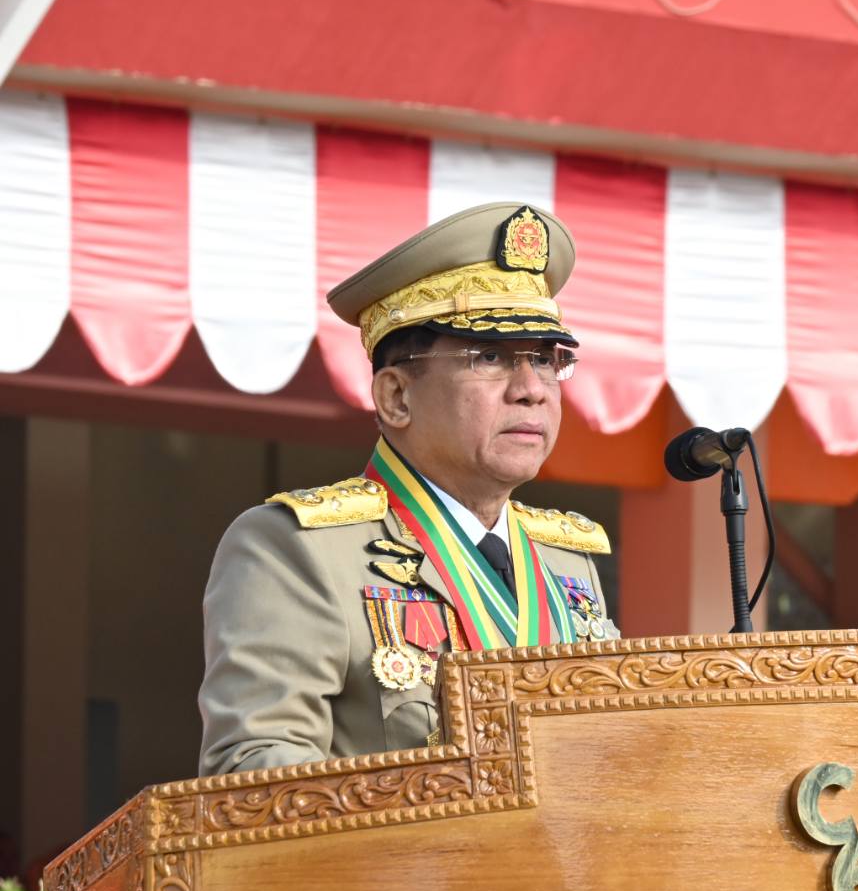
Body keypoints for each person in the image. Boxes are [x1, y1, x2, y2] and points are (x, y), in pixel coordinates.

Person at [198, 202, 618, 777]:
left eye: (546, 360)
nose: (531, 389)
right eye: (489, 357)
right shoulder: (298, 550)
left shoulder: (566, 559)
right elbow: (254, 773)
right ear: (396, 397)